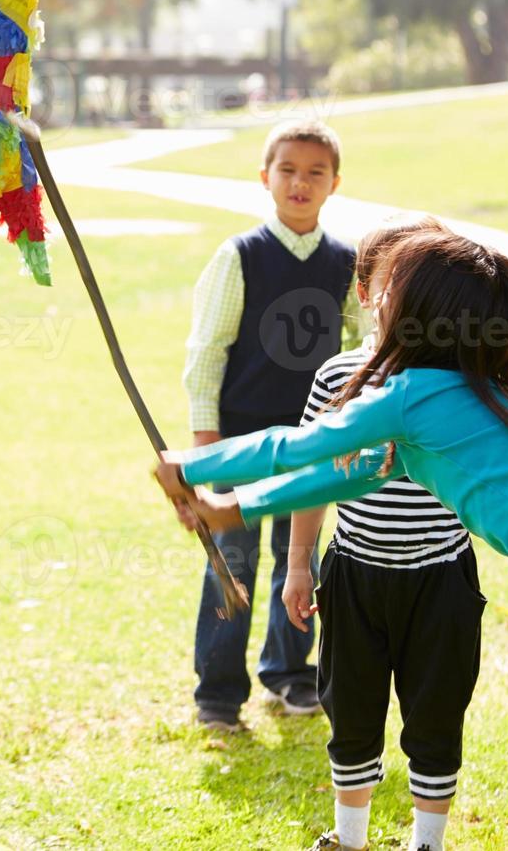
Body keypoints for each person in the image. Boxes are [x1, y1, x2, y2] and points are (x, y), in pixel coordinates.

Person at [156, 232, 508, 850]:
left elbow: (295, 445)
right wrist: (234, 506)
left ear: (419, 313)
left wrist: (192, 466)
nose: (376, 301)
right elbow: (346, 472)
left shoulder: (416, 396)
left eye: (390, 291)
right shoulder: (460, 394)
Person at [283, 214, 478, 851]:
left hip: (441, 577)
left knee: (436, 712)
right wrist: (298, 563)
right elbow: (309, 478)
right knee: (352, 709)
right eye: (394, 282)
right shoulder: (337, 378)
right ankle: (350, 838)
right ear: (366, 294)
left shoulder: (461, 380)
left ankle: (428, 841)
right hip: (355, 574)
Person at [181, 118, 356, 732]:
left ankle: (289, 672)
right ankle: (218, 693)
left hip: (314, 441)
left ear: (335, 183)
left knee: (297, 554)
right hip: (240, 442)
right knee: (232, 558)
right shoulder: (241, 256)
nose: (300, 182)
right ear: (265, 177)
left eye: (315, 172)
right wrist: (206, 453)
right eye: (287, 169)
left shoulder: (346, 264)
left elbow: (358, 352)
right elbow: (207, 353)